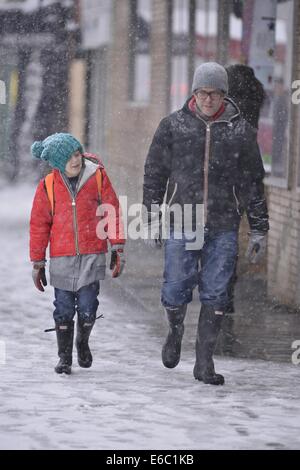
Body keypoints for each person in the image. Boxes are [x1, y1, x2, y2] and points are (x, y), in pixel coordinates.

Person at [142, 62, 269, 385]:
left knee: (216, 293)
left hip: (224, 223)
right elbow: (155, 174)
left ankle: (204, 362)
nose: (208, 99)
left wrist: (258, 228)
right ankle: (175, 330)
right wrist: (152, 216)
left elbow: (253, 182)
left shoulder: (241, 131)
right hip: (182, 219)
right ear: (194, 93)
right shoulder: (173, 126)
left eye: (214, 93)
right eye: (203, 92)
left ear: (224, 95)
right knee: (174, 289)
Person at [30, 133, 125, 375]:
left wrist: (117, 246)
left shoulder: (97, 177)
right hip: (62, 257)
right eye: (69, 157)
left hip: (92, 253)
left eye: (77, 154)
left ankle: (82, 342)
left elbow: (111, 210)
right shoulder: (48, 186)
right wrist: (38, 262)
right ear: (59, 162)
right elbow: (39, 225)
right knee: (63, 309)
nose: (76, 160)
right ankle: (64, 357)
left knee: (88, 306)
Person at [224, 64, 266, 315]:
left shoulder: (231, 105)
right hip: (240, 180)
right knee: (229, 238)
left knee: (217, 238)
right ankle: (225, 290)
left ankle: (219, 288)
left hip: (225, 176)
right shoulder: (255, 96)